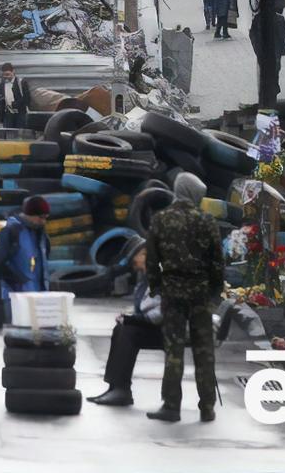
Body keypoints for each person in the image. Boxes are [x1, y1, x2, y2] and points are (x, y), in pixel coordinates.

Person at [145, 173, 224, 423]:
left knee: (174, 350)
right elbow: (217, 261)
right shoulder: (206, 220)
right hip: (200, 293)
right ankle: (207, 407)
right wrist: (215, 292)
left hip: (172, 292)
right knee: (204, 351)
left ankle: (171, 406)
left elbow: (151, 260)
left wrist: (157, 288)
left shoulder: (160, 219)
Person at [88, 239, 163, 407]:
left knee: (128, 331)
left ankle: (122, 390)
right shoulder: (145, 278)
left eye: (135, 258)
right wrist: (130, 316)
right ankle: (115, 387)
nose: (133, 263)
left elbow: (161, 313)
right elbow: (144, 306)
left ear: (145, 255)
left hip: (172, 330)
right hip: (159, 327)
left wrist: (135, 319)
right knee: (121, 328)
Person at [0, 195, 50, 318]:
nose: (43, 221)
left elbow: (44, 262)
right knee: (17, 328)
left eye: (46, 218)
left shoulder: (41, 234)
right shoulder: (12, 231)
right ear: (29, 214)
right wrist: (19, 281)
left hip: (37, 296)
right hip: (15, 297)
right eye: (41, 217)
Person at [0, 62, 31, 129]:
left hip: (20, 114)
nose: (6, 77)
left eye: (8, 74)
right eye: (4, 75)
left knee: (19, 133)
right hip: (7, 115)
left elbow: (27, 98)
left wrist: (16, 104)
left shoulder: (21, 82)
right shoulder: (3, 83)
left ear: (13, 71)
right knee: (7, 133)